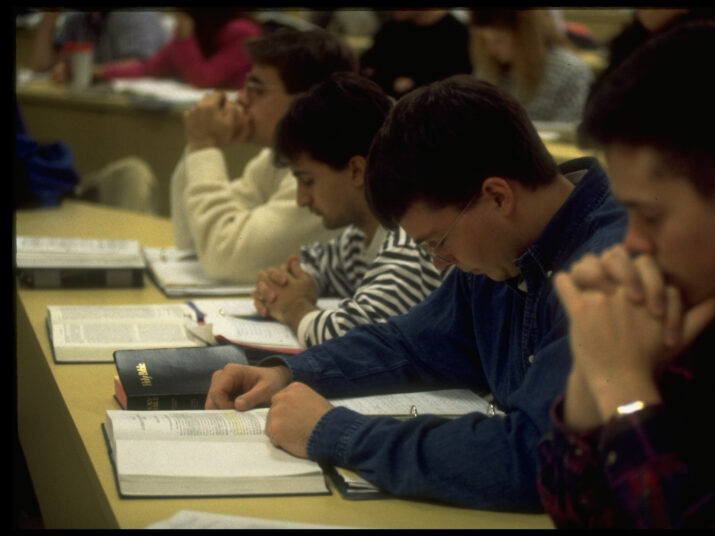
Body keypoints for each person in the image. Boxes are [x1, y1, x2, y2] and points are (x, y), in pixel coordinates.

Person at [204, 75, 628, 511]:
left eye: (437, 241)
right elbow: (409, 344)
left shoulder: (610, 269)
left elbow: (532, 457)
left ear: (498, 197)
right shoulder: (499, 252)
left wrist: (336, 432)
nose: (439, 264)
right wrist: (290, 373)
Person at [537, 21, 715, 528]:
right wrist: (592, 374)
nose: (632, 243)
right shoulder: (708, 301)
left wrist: (626, 395)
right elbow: (579, 516)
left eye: (649, 216)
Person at [252, 72, 444, 347]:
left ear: (356, 171)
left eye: (307, 181)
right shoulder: (360, 238)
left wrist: (293, 307)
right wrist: (289, 284)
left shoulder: (411, 243)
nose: (301, 199)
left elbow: (351, 341)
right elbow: (319, 263)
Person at [170, 29, 357, 283]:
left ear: (307, 99)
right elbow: (191, 240)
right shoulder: (277, 158)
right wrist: (199, 145)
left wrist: (203, 144)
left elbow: (224, 259)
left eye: (256, 89)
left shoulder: (329, 171)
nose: (241, 99)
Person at [469, 9, 593, 123]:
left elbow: (569, 130)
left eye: (499, 40)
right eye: (484, 40)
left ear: (526, 37)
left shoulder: (571, 71)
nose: (490, 50)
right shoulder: (487, 70)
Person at [98, 9, 262, 89]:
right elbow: (149, 68)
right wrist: (101, 72)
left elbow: (203, 79)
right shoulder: (196, 30)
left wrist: (185, 38)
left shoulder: (243, 33)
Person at [28, 10, 168, 85]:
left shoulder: (135, 14)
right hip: (96, 106)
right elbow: (40, 67)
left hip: (140, 113)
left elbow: (141, 66)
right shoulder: (76, 18)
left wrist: (84, 72)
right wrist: (48, 18)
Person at [360, 10, 472, 99]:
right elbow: (370, 67)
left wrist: (414, 85)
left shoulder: (455, 32)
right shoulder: (391, 28)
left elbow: (456, 80)